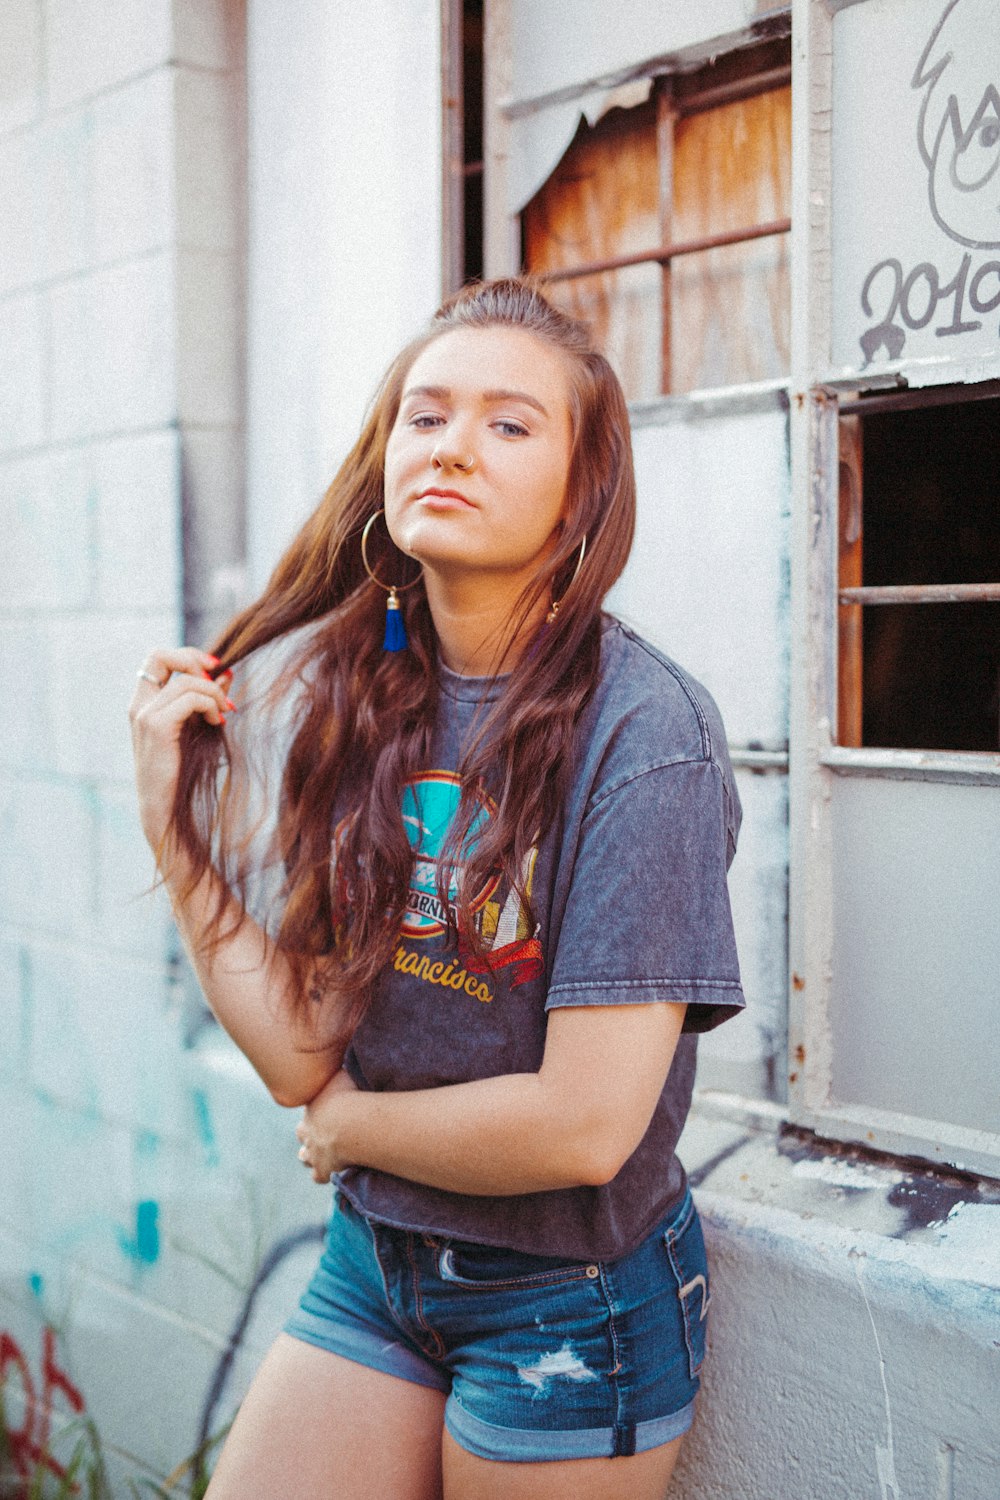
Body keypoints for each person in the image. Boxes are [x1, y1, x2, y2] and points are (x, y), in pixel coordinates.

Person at [129, 278, 745, 1500]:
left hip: (566, 1306)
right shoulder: (367, 699)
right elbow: (303, 1049)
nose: (453, 445)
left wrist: (357, 1133)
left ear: (579, 496)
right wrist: (172, 830)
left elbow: (583, 1126)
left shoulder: (645, 733)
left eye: (510, 425)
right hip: (382, 1262)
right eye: (426, 415)